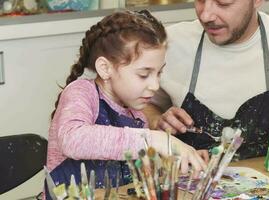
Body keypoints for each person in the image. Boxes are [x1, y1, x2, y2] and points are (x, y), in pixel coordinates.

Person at [45, 10, 206, 199]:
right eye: (144, 74)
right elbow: (72, 140)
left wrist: (176, 161)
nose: (155, 85)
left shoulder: (136, 115)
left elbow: (139, 169)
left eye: (159, 73)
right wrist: (155, 140)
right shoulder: (81, 92)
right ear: (105, 68)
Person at [144, 0, 269, 183]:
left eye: (223, 3)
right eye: (200, 0)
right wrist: (156, 120)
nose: (205, 15)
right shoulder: (170, 43)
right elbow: (143, 106)